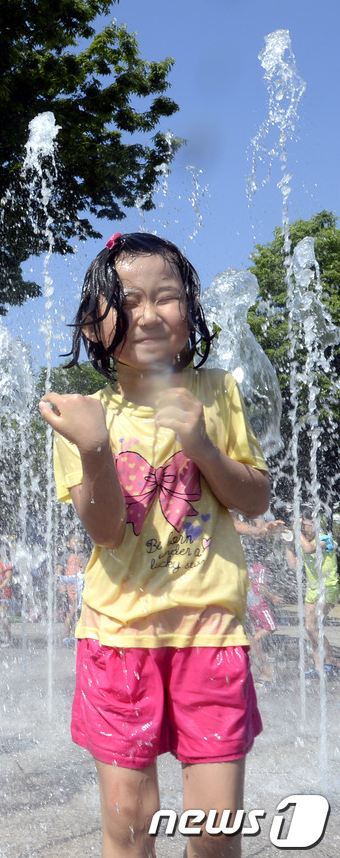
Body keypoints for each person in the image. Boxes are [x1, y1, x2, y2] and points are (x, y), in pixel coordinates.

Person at [39, 232, 270, 858]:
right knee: (129, 825)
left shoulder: (216, 391)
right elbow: (107, 531)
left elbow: (254, 499)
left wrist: (203, 449)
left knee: (215, 831)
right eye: (128, 299)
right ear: (92, 324)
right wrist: (93, 449)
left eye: (166, 298)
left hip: (211, 633)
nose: (148, 313)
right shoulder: (81, 413)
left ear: (190, 310)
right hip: (118, 637)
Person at [285, 506, 340, 678]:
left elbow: (310, 549)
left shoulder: (326, 540)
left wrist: (296, 531)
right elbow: (293, 565)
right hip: (312, 590)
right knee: (311, 629)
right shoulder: (302, 544)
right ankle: (318, 667)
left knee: (311, 624)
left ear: (314, 523)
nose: (302, 528)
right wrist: (287, 543)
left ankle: (330, 661)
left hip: (329, 588)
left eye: (304, 524)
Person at [231, 514, 284, 684]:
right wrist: (273, 596)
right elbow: (260, 586)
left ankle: (261, 667)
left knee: (245, 631)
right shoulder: (259, 567)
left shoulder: (247, 566)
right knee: (269, 627)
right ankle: (256, 653)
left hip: (244, 598)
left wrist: (260, 528)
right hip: (256, 601)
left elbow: (238, 523)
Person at [57, 535, 86, 646]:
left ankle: (74, 635)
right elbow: (59, 570)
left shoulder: (83, 556)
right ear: (68, 544)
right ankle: (66, 636)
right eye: (76, 541)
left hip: (81, 587)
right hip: (70, 588)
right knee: (71, 613)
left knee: (78, 613)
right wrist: (60, 584)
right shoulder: (66, 556)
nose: (79, 544)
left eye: (81, 542)